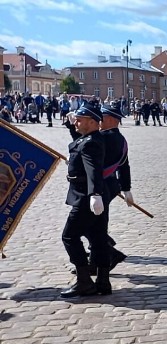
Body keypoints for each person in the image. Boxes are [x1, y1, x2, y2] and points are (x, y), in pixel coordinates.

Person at [60, 102, 110, 298]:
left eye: (80, 120)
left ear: (91, 122)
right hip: (91, 194)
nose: (76, 123)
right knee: (98, 237)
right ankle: (103, 282)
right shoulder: (90, 138)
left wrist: (95, 194)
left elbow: (93, 170)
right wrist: (69, 124)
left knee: (70, 236)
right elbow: (78, 143)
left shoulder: (91, 143)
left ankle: (84, 281)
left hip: (86, 195)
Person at [98, 103, 133, 273]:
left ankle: (108, 252)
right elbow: (124, 166)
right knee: (97, 223)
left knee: (91, 225)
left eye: (101, 117)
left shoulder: (105, 138)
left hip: (102, 186)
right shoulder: (120, 139)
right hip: (112, 186)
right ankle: (98, 256)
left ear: (111, 119)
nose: (98, 120)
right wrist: (126, 189)